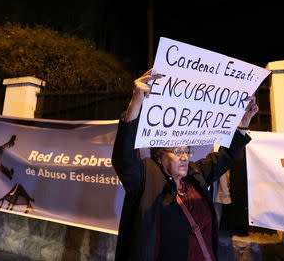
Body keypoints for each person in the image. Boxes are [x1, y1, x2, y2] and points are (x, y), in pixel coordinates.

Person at [111, 69, 259, 261]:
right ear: (159, 156)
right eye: (177, 151)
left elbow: (225, 156)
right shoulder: (145, 178)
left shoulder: (194, 174)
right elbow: (124, 156)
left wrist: (244, 122)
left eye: (187, 151)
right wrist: (136, 102)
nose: (185, 158)